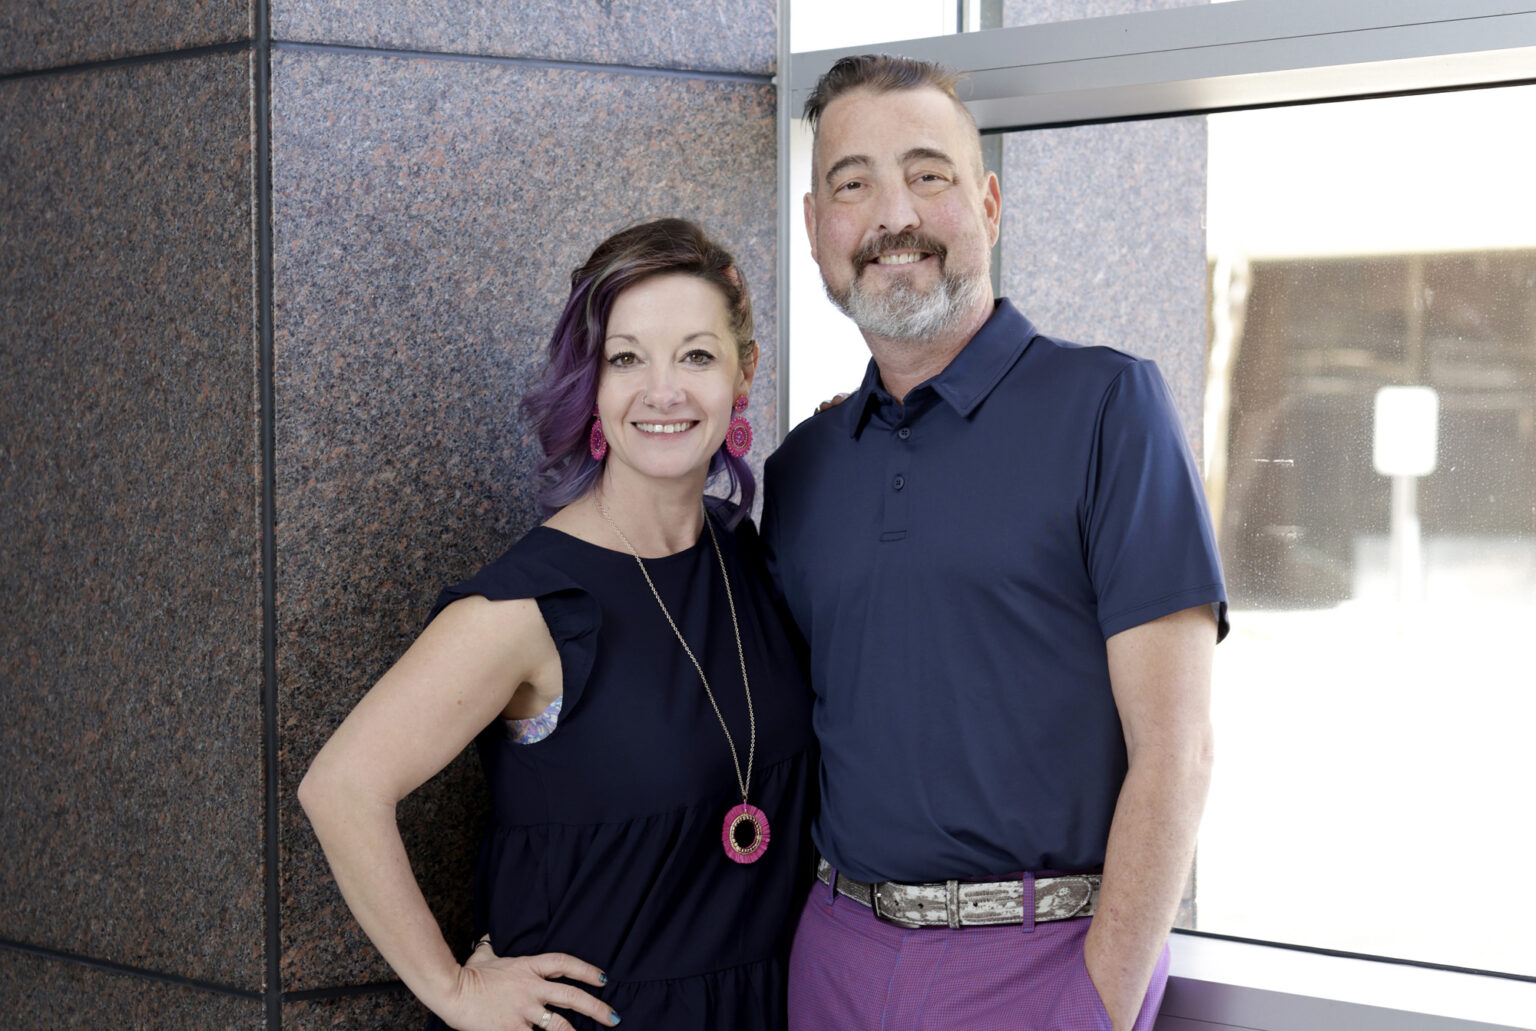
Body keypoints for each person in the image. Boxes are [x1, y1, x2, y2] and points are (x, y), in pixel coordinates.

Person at [761, 55, 1228, 1031]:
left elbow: (1176, 750)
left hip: (1044, 963)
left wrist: (1095, 999)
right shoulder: (801, 471)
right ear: (814, 230)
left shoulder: (1109, 407)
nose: (895, 213)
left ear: (989, 203)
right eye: (854, 183)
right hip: (832, 957)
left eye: (928, 174)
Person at [300, 218, 816, 1031]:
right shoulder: (529, 605)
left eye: (696, 354)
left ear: (743, 373)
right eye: (626, 358)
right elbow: (341, 787)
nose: (664, 390)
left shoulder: (746, 555)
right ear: (593, 386)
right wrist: (455, 989)